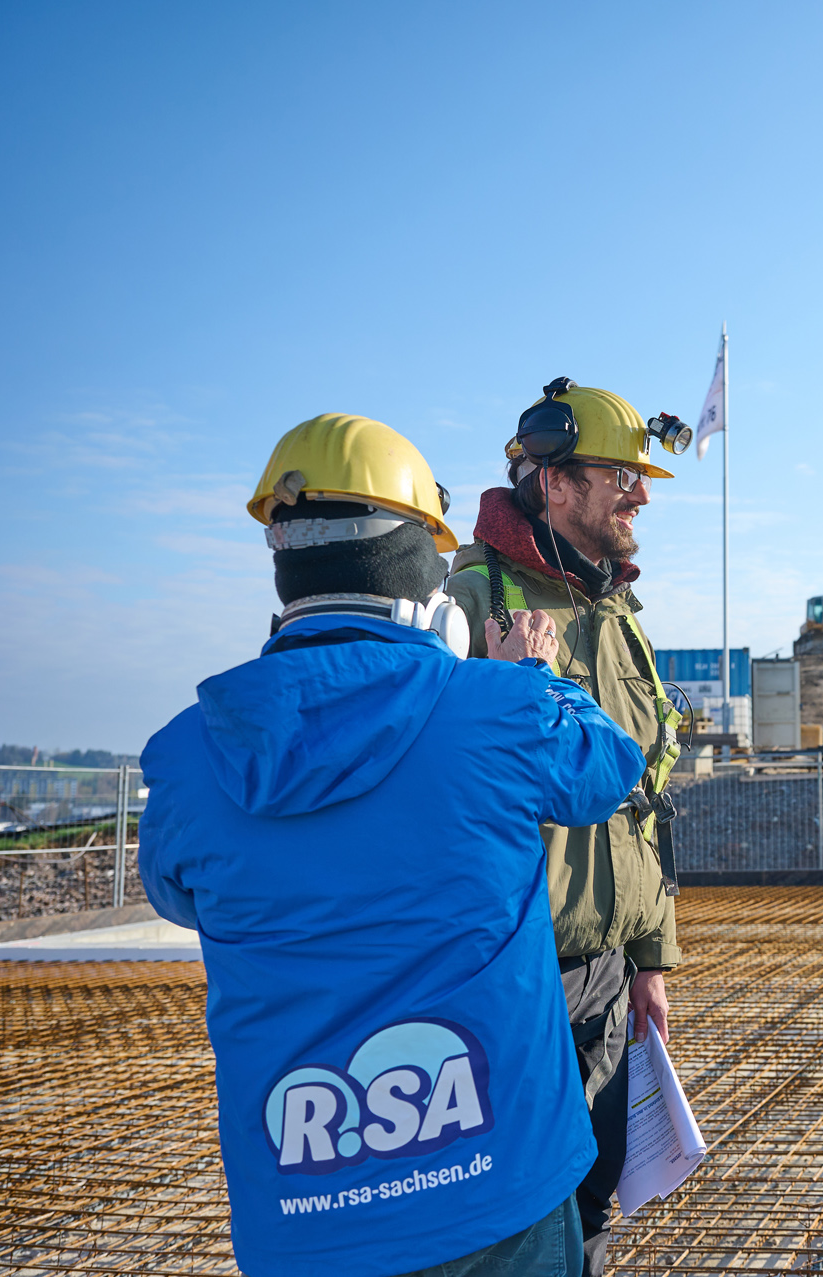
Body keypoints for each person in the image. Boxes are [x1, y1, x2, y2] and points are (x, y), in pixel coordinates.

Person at [140, 414, 645, 1277]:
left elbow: (174, 891)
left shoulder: (187, 759)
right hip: (498, 1188)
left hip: (304, 1212)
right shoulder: (497, 709)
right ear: (421, 580)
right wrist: (528, 675)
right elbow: (611, 764)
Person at [443, 378, 685, 1276]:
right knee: (512, 1212)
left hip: (608, 975)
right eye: (620, 475)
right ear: (554, 482)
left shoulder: (615, 612)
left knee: (591, 1194)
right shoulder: (471, 602)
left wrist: (651, 955)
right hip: (512, 974)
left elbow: (648, 796)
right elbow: (440, 789)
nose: (641, 494)